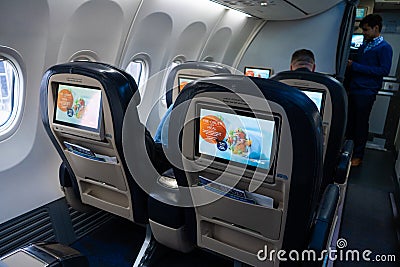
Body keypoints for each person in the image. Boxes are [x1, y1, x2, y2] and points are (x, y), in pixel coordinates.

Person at [346, 14, 393, 167]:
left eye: (366, 30)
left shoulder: (384, 48)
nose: (364, 33)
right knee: (350, 123)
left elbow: (383, 70)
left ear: (376, 28)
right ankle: (347, 152)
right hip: (354, 88)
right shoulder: (365, 45)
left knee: (360, 124)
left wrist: (355, 66)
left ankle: (358, 156)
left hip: (366, 91)